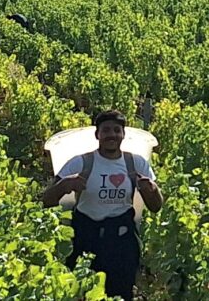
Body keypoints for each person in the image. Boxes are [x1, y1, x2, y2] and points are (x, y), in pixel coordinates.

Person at [42, 111, 164, 300]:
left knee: (121, 294)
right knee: (84, 293)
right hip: (86, 239)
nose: (112, 135)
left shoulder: (135, 163)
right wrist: (64, 185)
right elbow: (47, 200)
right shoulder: (80, 162)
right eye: (106, 130)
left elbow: (156, 206)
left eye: (117, 130)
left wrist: (152, 190)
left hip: (121, 242)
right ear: (97, 134)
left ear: (123, 135)